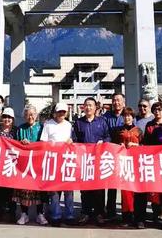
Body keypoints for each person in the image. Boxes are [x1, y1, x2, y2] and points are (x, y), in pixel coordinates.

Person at [72, 97, 110, 226]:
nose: (88, 107)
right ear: (83, 107)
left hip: (99, 160)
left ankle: (99, 213)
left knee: (99, 188)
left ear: (95, 108)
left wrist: (103, 142)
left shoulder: (102, 122)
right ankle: (86, 213)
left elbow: (108, 137)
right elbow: (75, 139)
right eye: (86, 105)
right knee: (85, 189)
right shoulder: (78, 122)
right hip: (84, 160)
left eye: (91, 105)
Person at [40, 102, 75, 226]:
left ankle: (69, 215)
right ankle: (56, 215)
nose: (61, 114)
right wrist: (51, 146)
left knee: (68, 189)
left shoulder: (69, 125)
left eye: (63, 112)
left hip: (67, 160)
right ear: (55, 112)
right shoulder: (48, 124)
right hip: (53, 161)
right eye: (59, 112)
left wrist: (71, 141)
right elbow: (43, 142)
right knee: (54, 190)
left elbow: (73, 140)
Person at [14, 105, 48, 225]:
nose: (31, 116)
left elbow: (46, 143)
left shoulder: (42, 128)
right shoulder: (20, 129)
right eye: (28, 114)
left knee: (39, 190)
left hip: (39, 163)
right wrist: (21, 143)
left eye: (33, 114)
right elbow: (14, 145)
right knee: (24, 189)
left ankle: (40, 214)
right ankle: (24, 214)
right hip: (24, 164)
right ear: (24, 116)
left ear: (37, 115)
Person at [113, 107, 142, 227]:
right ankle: (126, 217)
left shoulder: (139, 130)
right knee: (125, 192)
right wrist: (119, 145)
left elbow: (144, 145)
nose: (127, 117)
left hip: (136, 163)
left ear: (133, 117)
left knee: (137, 191)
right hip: (124, 164)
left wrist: (135, 144)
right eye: (125, 115)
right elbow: (113, 145)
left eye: (129, 115)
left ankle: (138, 218)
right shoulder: (119, 130)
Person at [140, 101, 162, 226]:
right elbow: (145, 141)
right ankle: (156, 213)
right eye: (155, 109)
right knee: (154, 189)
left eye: (159, 109)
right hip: (152, 160)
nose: (157, 112)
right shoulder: (149, 125)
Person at [0, 107, 18, 222]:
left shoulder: (16, 131)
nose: (7, 119)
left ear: (13, 119)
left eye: (9, 117)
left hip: (12, 164)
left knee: (11, 190)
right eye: (5, 117)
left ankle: (12, 213)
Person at [104, 92, 126, 221]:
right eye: (114, 100)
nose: (116, 102)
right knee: (111, 184)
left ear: (123, 102)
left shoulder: (128, 115)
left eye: (119, 100)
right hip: (110, 154)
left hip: (125, 154)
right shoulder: (106, 117)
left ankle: (126, 211)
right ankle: (110, 210)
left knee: (125, 183)